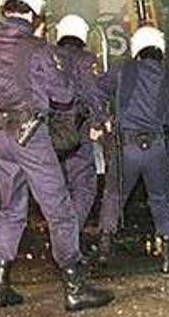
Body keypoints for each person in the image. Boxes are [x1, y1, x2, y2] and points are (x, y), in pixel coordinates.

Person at [0, 0, 112, 312]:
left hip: (1, 136)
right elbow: (64, 94)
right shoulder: (36, 48)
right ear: (33, 8)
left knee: (11, 209)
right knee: (61, 211)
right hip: (30, 135)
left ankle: (1, 283)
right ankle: (74, 287)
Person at [97, 26, 169, 274]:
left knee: (114, 195)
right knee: (160, 199)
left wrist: (103, 118)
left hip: (125, 146)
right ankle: (168, 254)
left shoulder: (123, 70)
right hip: (157, 146)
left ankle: (105, 248)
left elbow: (96, 89)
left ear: (136, 47)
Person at [51, 14, 106, 235]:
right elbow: (94, 94)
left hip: (50, 129)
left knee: (57, 184)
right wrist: (99, 121)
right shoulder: (86, 59)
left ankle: (60, 229)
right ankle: (70, 232)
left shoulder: (49, 56)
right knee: (84, 183)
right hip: (77, 128)